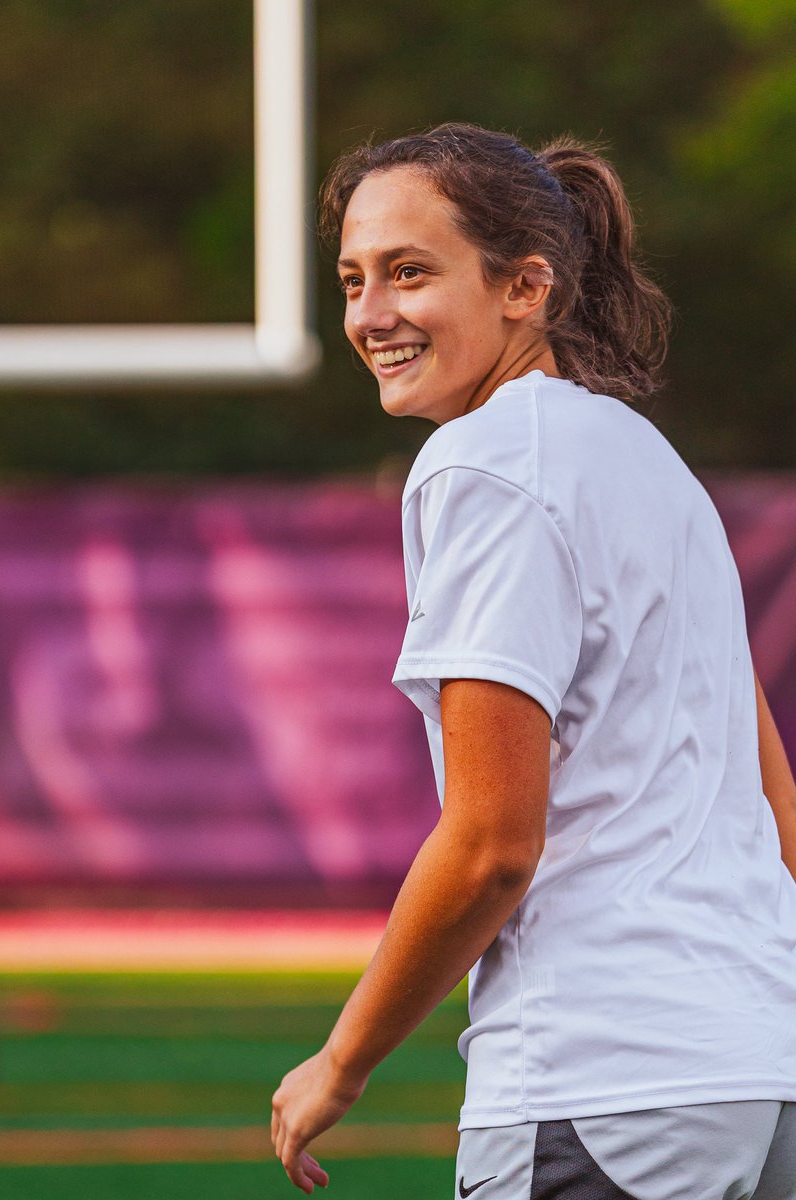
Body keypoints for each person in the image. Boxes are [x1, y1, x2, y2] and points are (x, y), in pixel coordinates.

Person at [270, 123, 796, 1199]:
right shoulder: (653, 464)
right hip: (763, 1075)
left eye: (411, 273)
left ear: (525, 287)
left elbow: (492, 843)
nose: (372, 314)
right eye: (353, 279)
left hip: (604, 1083)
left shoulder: (485, 462)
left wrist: (344, 1059)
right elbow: (777, 809)